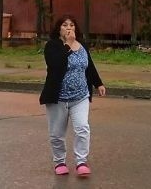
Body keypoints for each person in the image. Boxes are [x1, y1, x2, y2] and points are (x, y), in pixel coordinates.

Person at [39, 14, 106, 177]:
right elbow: (56, 65)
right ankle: (60, 162)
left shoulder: (82, 45)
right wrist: (67, 45)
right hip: (58, 98)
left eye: (71, 25)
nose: (69, 28)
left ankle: (81, 161)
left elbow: (88, 66)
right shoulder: (52, 46)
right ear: (58, 29)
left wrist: (98, 83)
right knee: (56, 134)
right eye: (64, 25)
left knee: (82, 128)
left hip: (80, 97)